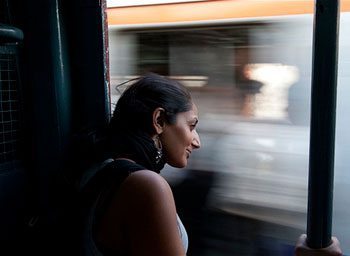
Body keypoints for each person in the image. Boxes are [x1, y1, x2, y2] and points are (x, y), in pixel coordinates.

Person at [80, 73, 201, 256]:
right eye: (191, 126)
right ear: (159, 120)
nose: (196, 142)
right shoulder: (147, 186)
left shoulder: (103, 170)